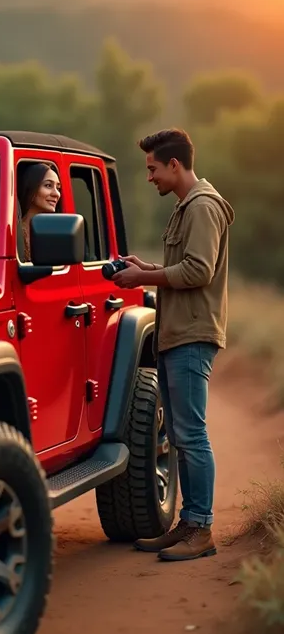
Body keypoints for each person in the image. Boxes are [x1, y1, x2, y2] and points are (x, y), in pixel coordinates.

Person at [111, 128, 235, 562]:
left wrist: (142, 278)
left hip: (191, 335)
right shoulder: (188, 206)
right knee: (183, 436)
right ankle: (189, 524)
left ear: (175, 165)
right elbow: (184, 267)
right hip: (177, 333)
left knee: (192, 435)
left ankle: (201, 529)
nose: (150, 177)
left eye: (153, 169)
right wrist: (148, 267)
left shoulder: (202, 208)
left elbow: (198, 270)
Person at [17, 162, 61, 262]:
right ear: (31, 188)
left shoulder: (55, 232)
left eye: (58, 188)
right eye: (48, 185)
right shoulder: (14, 231)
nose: (56, 194)